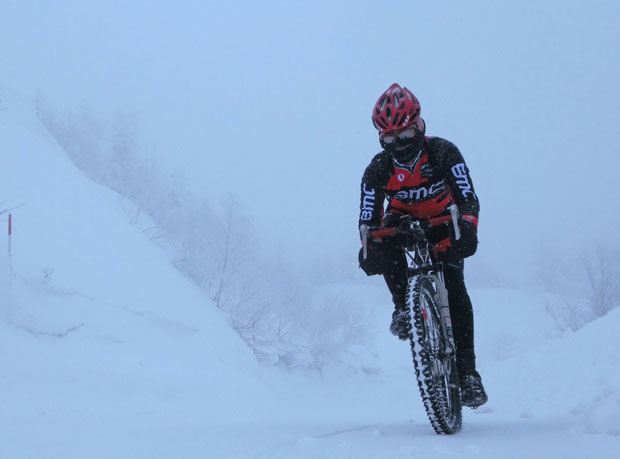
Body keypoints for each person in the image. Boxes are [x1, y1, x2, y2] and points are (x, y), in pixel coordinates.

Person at [358, 83, 488, 408]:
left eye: (404, 135)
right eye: (389, 139)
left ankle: (468, 374)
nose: (398, 145)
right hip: (401, 222)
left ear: (419, 126)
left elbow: (467, 197)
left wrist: (468, 229)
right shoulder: (377, 169)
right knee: (383, 242)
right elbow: (368, 220)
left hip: (444, 221)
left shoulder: (444, 152)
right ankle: (404, 307)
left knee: (455, 289)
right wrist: (367, 248)